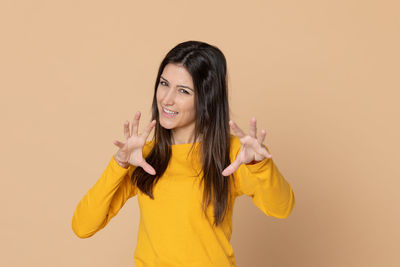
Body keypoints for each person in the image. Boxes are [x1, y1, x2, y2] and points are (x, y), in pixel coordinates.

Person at [72, 40, 295, 267]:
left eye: (183, 91)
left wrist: (259, 164)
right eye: (164, 83)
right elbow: (83, 226)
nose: (166, 99)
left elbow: (282, 208)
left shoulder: (232, 153)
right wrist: (118, 164)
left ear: (207, 99)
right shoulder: (143, 157)